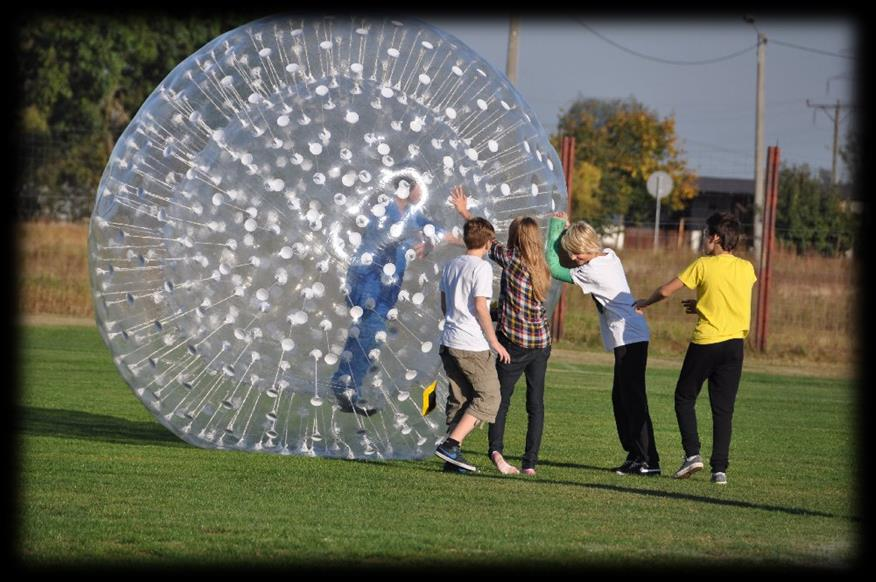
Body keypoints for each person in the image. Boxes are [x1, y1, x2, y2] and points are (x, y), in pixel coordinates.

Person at [634, 211, 756, 485]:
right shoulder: (747, 269)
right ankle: (720, 470)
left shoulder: (703, 264)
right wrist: (701, 306)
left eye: (705, 235)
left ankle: (692, 454)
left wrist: (645, 302)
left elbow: (667, 291)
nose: (703, 240)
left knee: (684, 397)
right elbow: (729, 300)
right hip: (735, 345)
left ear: (715, 238)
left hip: (706, 343)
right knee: (723, 409)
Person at [547, 212, 661, 476]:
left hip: (630, 336)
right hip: (629, 335)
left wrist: (555, 229)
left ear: (587, 248)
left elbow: (553, 267)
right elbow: (567, 257)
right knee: (620, 398)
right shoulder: (608, 255)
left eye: (578, 254)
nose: (575, 259)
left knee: (633, 399)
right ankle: (635, 455)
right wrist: (567, 231)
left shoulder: (593, 270)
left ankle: (649, 462)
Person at [450, 186, 552, 477]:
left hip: (514, 344)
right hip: (541, 344)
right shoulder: (542, 267)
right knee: (536, 404)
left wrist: (464, 211)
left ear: (516, 239)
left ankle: (496, 451)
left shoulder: (511, 259)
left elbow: (483, 240)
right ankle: (531, 462)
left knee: (500, 401)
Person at [329, 172, 437, 416]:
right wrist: (415, 238)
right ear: (405, 187)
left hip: (385, 287)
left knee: (364, 335)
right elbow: (390, 235)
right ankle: (348, 389)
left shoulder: (411, 214)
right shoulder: (383, 209)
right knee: (369, 332)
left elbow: (437, 231)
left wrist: (428, 242)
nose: (423, 190)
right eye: (420, 185)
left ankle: (344, 384)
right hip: (368, 282)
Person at [434, 216, 511, 473]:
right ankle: (452, 445)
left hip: (449, 340)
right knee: (490, 398)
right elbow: (480, 306)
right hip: (471, 344)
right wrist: (494, 341)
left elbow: (445, 306)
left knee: (461, 398)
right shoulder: (482, 268)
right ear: (489, 243)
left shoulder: (451, 265)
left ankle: (451, 461)